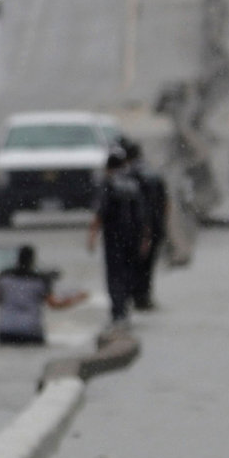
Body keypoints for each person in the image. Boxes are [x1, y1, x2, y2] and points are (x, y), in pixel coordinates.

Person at [93, 140, 155, 328]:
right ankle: (125, 309)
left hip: (114, 240)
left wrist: (91, 236)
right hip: (133, 238)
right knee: (128, 273)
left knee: (115, 276)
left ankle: (118, 312)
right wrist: (145, 239)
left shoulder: (109, 184)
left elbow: (101, 213)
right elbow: (143, 215)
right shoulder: (133, 184)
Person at [0, 243, 83, 346]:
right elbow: (54, 304)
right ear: (33, 260)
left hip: (7, 330)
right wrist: (77, 298)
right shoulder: (41, 280)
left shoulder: (3, 278)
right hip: (31, 330)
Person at [128, 137, 171, 312]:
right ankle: (143, 296)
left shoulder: (127, 175)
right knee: (148, 264)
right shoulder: (154, 174)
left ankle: (133, 296)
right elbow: (166, 203)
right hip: (155, 225)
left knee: (132, 263)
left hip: (133, 227)